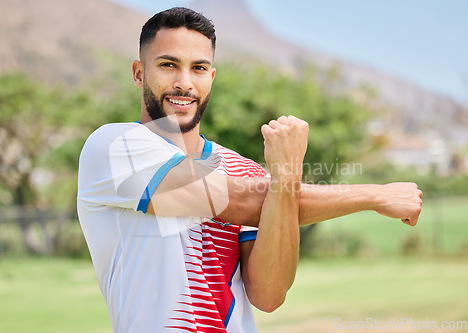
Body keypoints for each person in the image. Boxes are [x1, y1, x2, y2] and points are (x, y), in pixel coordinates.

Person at [77, 7, 422, 333]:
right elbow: (238, 201)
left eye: (198, 68)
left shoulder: (243, 169)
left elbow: (269, 294)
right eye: (168, 65)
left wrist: (283, 179)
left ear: (211, 77)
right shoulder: (113, 147)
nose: (184, 83)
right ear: (139, 73)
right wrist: (375, 194)